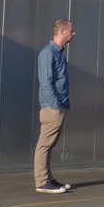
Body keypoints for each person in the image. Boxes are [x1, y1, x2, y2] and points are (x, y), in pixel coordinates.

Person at [34, 19, 74, 194]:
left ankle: (48, 179)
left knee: (49, 144)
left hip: (58, 105)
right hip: (52, 107)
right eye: (71, 31)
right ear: (62, 32)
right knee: (44, 144)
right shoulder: (48, 53)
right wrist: (55, 105)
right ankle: (42, 182)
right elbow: (46, 82)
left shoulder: (58, 53)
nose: (74, 33)